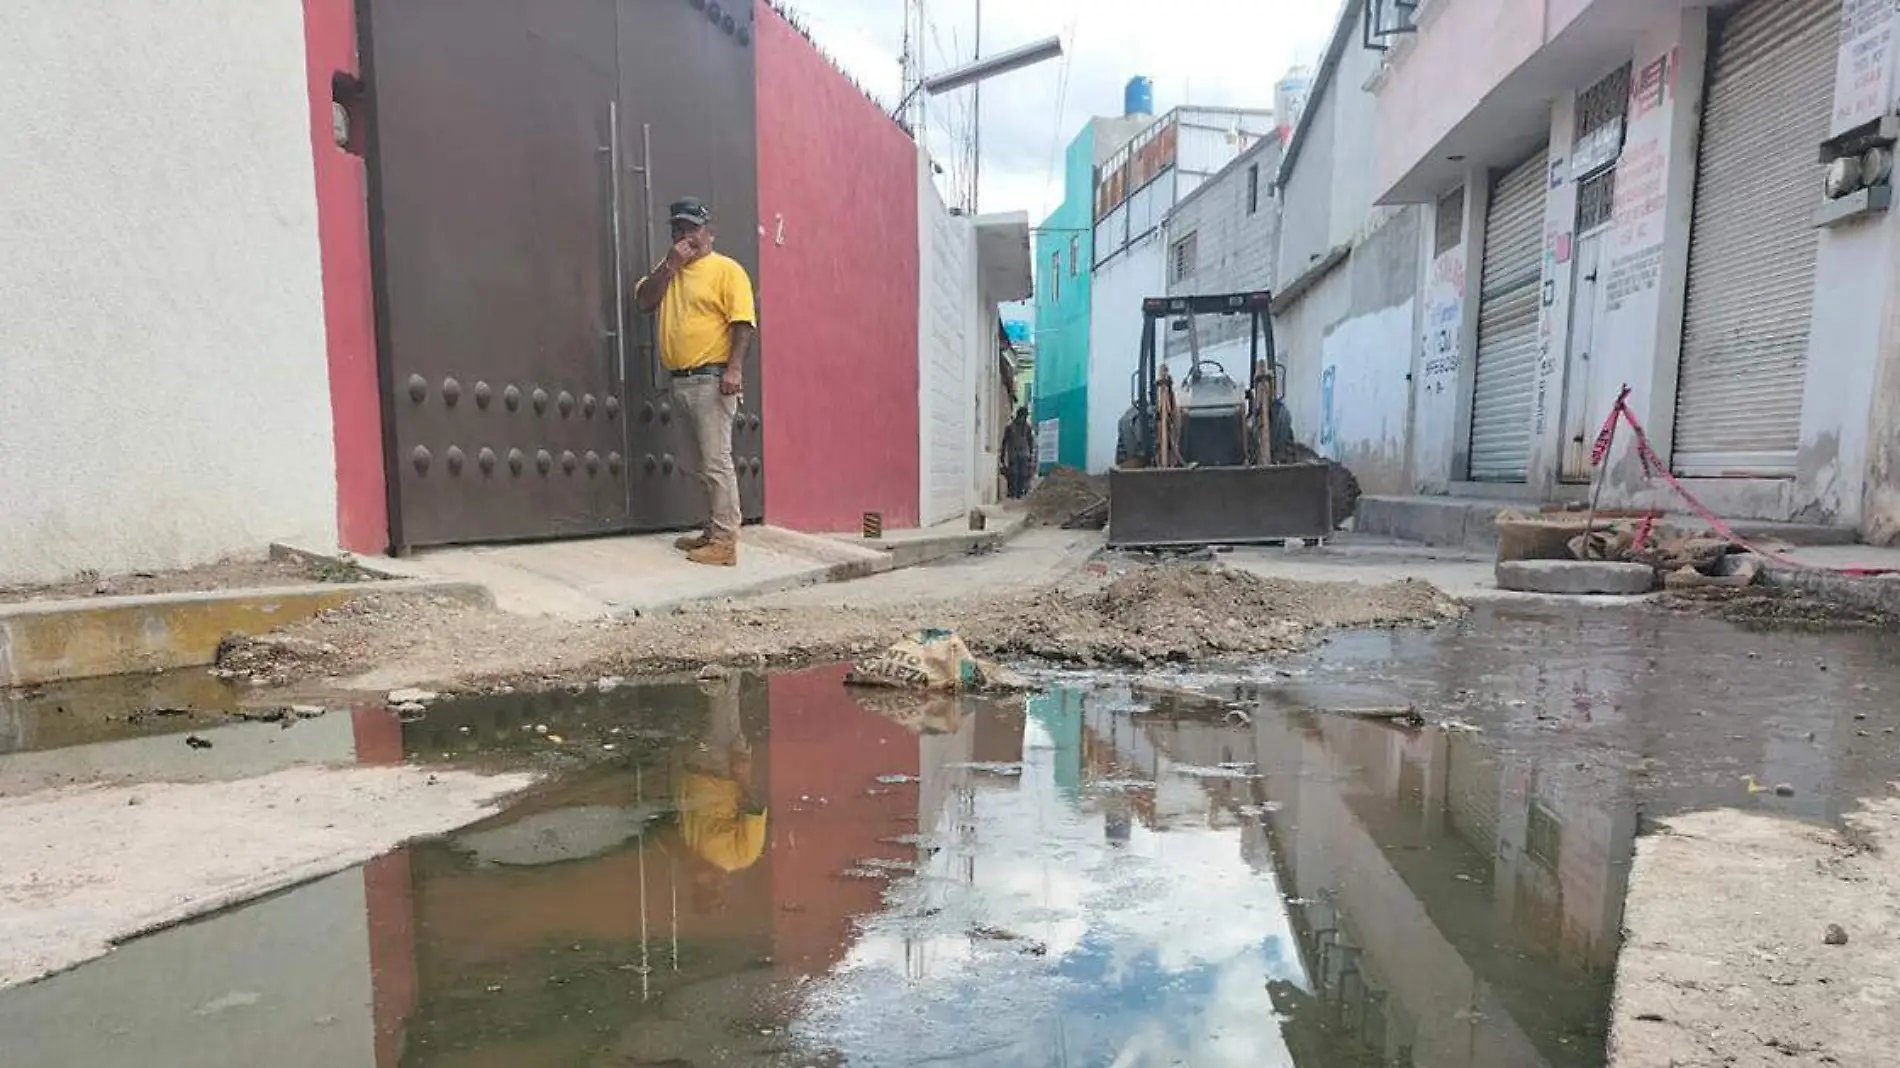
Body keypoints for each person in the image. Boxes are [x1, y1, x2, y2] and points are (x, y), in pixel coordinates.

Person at [634, 197, 757, 567]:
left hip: (712, 378)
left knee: (716, 461)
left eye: (692, 228)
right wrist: (670, 266)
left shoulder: (726, 270)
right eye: (678, 229)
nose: (686, 235)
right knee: (698, 462)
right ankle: (711, 529)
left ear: (709, 232)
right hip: (681, 381)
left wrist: (734, 370)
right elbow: (643, 300)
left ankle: (725, 542)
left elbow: (742, 323)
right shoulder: (669, 270)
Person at [1002, 406, 1036, 499]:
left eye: (1025, 417)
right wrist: (1002, 456)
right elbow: (1004, 442)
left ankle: (1020, 495)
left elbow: (1030, 441)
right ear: (1019, 416)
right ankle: (1013, 494)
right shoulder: (1010, 427)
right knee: (1014, 475)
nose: (1024, 419)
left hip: (1024, 454)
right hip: (1013, 454)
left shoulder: (1027, 427)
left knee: (1023, 475)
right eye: (1023, 416)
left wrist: (1031, 454)